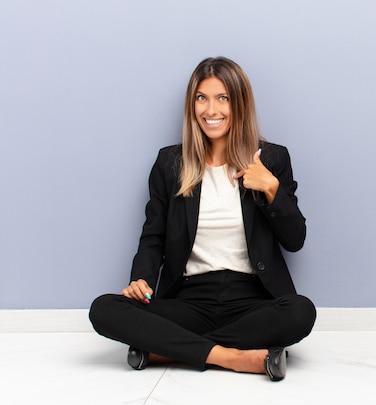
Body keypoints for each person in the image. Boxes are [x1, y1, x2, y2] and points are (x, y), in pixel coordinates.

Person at [89, 56, 316, 381]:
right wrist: (141, 279)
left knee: (301, 312)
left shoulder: (273, 159)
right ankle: (236, 358)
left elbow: (295, 241)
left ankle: (163, 351)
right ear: (192, 105)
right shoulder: (170, 163)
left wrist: (271, 189)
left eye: (223, 98)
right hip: (188, 299)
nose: (211, 110)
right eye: (202, 98)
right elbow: (152, 237)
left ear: (240, 103)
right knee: (104, 309)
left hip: (251, 299)